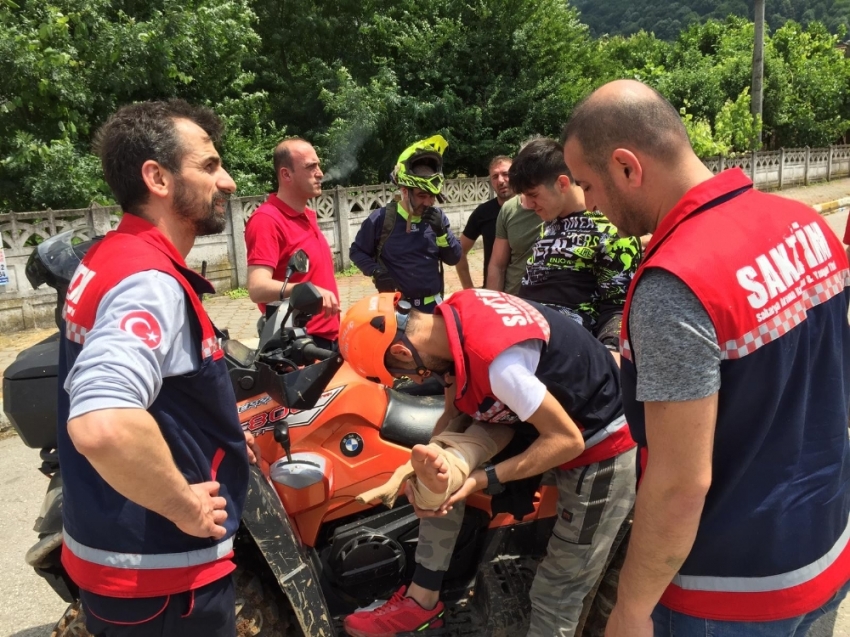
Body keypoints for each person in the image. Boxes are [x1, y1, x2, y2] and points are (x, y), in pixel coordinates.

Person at [563, 79, 850, 637]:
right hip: (826, 546)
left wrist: (631, 608)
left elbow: (679, 482)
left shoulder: (676, 284)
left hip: (728, 592)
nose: (590, 205)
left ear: (627, 167)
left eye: (588, 185)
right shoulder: (806, 224)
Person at [58, 100, 255, 636]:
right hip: (164, 578)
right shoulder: (150, 282)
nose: (229, 182)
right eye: (210, 166)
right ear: (158, 177)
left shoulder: (107, 254)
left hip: (114, 554)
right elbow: (104, 424)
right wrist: (186, 505)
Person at [339, 289, 636, 637]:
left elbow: (566, 440)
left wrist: (480, 479)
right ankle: (422, 601)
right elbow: (452, 411)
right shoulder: (451, 315)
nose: (418, 381)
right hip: (540, 418)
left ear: (403, 351)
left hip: (601, 440)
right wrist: (425, 464)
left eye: (406, 374)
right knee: (444, 468)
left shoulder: (500, 367)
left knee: (558, 586)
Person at [510, 137, 640, 353]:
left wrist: (609, 356)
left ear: (562, 183)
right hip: (529, 351)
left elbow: (619, 308)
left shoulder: (613, 230)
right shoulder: (549, 225)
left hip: (574, 364)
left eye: (533, 195)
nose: (530, 205)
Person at [244, 137, 340, 349]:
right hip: (300, 345)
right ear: (286, 174)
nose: (320, 173)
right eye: (310, 167)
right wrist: (307, 289)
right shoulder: (267, 220)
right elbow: (257, 288)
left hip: (327, 338)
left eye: (319, 164)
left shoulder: (308, 216)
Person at [349, 135, 462, 313]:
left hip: (433, 306)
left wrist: (442, 233)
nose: (428, 203)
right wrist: (376, 271)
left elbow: (453, 258)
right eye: (421, 196)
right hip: (397, 308)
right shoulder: (382, 219)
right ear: (404, 191)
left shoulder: (438, 218)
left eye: (432, 196)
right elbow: (357, 251)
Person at [456, 155, 513, 289]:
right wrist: (469, 290)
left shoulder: (533, 208)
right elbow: (459, 250)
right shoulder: (483, 213)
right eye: (495, 176)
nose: (500, 181)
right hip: (493, 293)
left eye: (506, 174)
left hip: (524, 296)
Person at [486, 190, 542, 295]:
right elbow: (498, 265)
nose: (531, 203)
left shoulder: (567, 211)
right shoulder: (509, 209)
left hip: (549, 305)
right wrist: (493, 303)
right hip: (514, 299)